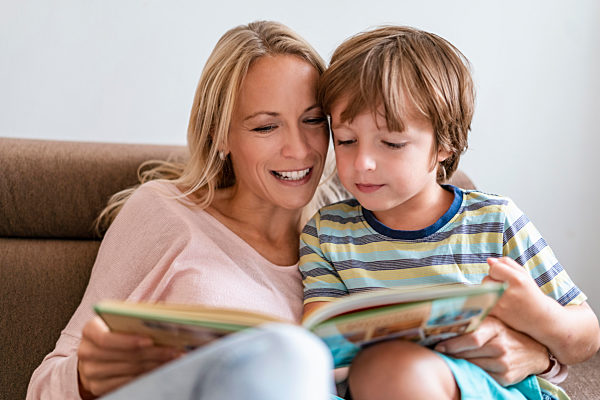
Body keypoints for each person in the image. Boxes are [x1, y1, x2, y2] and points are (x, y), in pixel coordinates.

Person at [27, 20, 347, 400]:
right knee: (288, 350)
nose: (299, 149)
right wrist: (86, 378)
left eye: (312, 120)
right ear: (219, 136)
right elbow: (43, 389)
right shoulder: (167, 214)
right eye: (265, 127)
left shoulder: (347, 239)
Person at [299, 26, 600, 400]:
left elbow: (586, 337)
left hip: (487, 388)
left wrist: (537, 315)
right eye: (346, 141)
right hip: (374, 385)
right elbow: (321, 339)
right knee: (380, 370)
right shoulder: (326, 234)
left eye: (391, 143)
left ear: (445, 143)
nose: (363, 163)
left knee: (392, 370)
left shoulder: (495, 221)